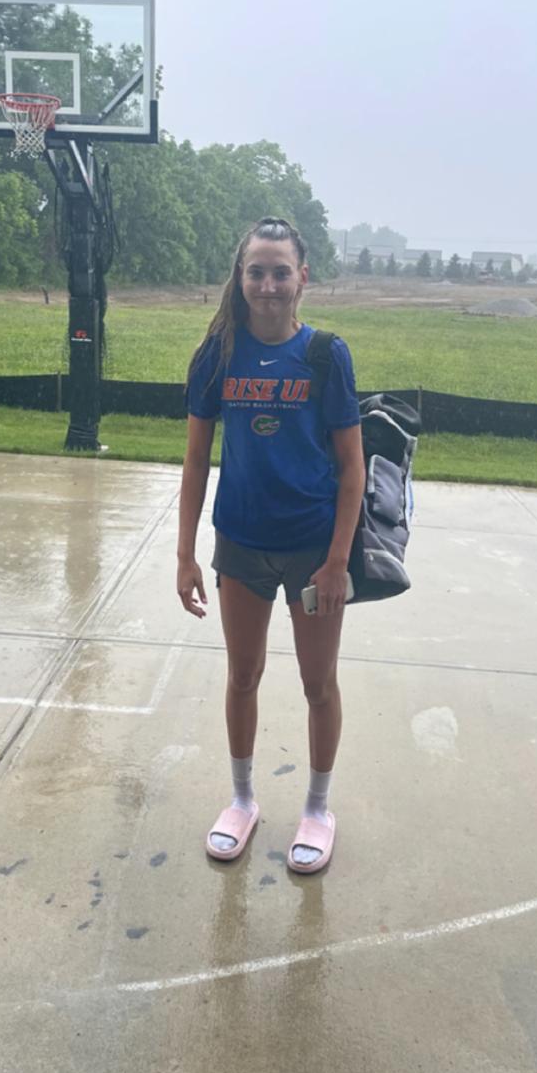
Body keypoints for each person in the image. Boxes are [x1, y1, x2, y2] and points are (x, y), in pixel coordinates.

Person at [177, 216, 365, 874]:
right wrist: (184, 553)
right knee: (242, 675)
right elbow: (197, 460)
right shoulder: (216, 356)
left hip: (313, 550)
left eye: (279, 270)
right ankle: (242, 800)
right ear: (240, 277)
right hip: (241, 544)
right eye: (255, 270)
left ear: (301, 277)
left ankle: (316, 809)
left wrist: (338, 559)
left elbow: (351, 468)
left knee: (317, 683)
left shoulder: (324, 355)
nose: (267, 284)